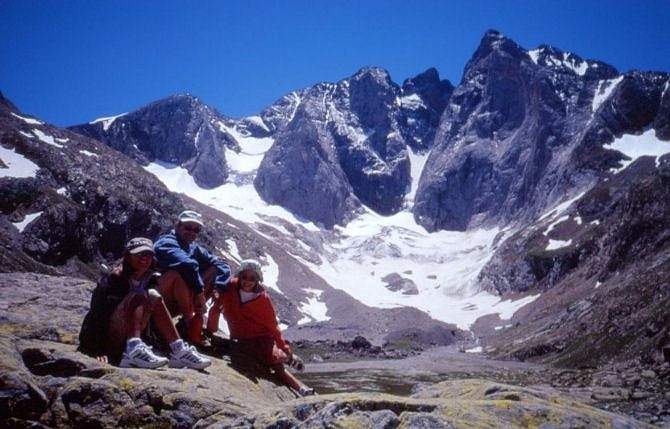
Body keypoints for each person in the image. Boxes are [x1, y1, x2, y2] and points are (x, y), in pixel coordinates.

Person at [79, 237, 212, 370]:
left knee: (154, 296)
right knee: (139, 295)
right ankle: (133, 350)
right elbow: (96, 315)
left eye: (148, 254)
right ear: (128, 256)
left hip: (129, 334)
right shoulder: (114, 280)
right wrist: (97, 350)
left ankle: (178, 350)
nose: (144, 258)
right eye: (139, 254)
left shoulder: (150, 277)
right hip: (110, 339)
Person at [206, 259, 314, 396]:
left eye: (252, 278)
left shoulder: (263, 299)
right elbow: (216, 309)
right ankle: (289, 360)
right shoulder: (230, 287)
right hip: (240, 339)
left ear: (258, 279)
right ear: (239, 276)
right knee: (261, 361)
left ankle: (300, 385)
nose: (247, 281)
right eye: (244, 277)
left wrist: (285, 348)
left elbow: (273, 327)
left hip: (261, 338)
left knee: (275, 365)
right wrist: (212, 319)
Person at [154, 210, 231, 346]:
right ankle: (190, 321)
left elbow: (221, 264)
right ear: (177, 226)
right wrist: (200, 294)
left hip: (181, 300)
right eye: (188, 228)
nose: (192, 232)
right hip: (157, 301)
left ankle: (188, 323)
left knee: (214, 269)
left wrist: (219, 288)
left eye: (196, 230)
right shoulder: (166, 242)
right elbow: (187, 264)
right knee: (176, 275)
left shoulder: (193, 248)